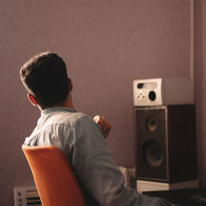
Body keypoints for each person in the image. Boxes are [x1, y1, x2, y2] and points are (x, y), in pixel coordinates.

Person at [20, 52, 173, 206]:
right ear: (70, 84)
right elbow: (115, 199)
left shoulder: (34, 138)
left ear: (32, 99)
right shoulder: (78, 126)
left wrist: (92, 135)